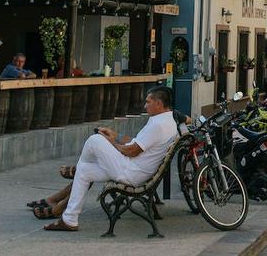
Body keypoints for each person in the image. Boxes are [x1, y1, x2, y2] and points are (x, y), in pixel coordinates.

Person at [43, 85, 179, 232]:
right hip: (135, 168)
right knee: (84, 170)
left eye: (148, 102)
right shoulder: (167, 120)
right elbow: (136, 141)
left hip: (132, 172)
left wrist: (110, 142)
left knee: (94, 140)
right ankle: (70, 219)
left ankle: (75, 172)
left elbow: (132, 151)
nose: (145, 106)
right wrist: (114, 135)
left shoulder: (158, 125)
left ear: (159, 103)